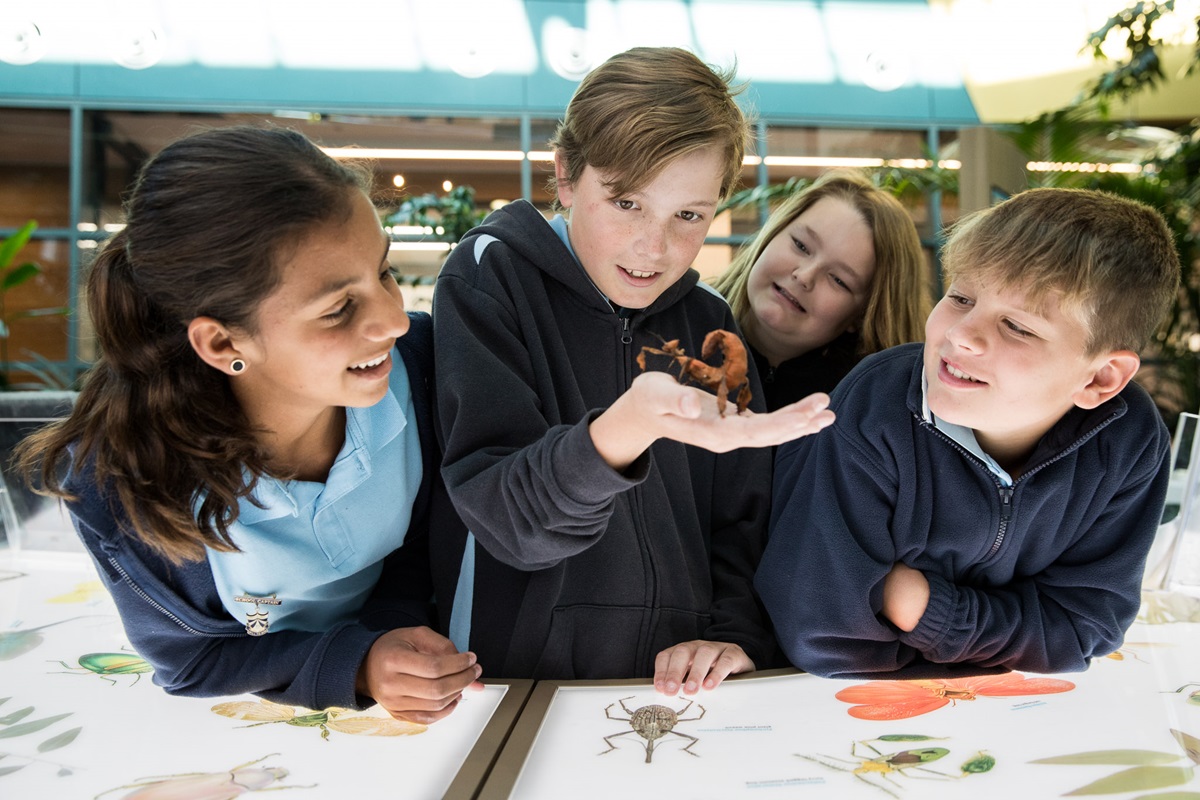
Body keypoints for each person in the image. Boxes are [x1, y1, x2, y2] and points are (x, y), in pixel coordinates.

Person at [15, 126, 479, 723]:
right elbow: (193, 660)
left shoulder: (422, 371)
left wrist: (391, 631)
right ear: (222, 341)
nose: (393, 321)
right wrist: (357, 664)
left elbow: (426, 549)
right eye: (339, 308)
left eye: (385, 272)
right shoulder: (118, 482)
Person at [430, 46, 834, 696]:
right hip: (515, 685)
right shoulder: (490, 275)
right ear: (565, 176)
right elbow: (507, 521)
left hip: (680, 689)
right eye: (626, 204)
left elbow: (740, 523)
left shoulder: (711, 323)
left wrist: (735, 636)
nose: (655, 247)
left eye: (689, 216)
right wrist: (624, 430)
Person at [755, 187, 1180, 679]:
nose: (961, 335)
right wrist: (1018, 637)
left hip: (1009, 716)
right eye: (960, 297)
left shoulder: (1128, 439)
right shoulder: (877, 406)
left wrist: (918, 605)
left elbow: (1085, 629)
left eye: (1017, 327)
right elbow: (823, 637)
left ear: (1100, 378)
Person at [709, 170, 932, 410]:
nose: (804, 276)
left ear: (862, 315)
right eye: (801, 245)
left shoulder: (867, 410)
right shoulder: (671, 325)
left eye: (838, 280)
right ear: (772, 234)